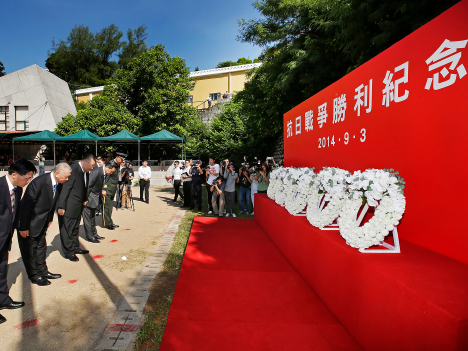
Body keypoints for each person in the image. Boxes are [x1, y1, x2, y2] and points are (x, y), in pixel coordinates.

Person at [17, 163, 72, 286]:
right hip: (30, 222)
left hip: (42, 222)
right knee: (30, 251)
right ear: (57, 173)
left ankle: (43, 271)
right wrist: (23, 227)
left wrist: (49, 219)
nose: (67, 179)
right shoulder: (39, 182)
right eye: (66, 176)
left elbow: (52, 203)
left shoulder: (58, 183)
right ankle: (35, 276)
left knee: (41, 248)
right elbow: (26, 206)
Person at [0, 159, 36, 324]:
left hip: (5, 238)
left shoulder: (18, 189)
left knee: (1, 270)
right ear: (14, 174)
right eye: (27, 178)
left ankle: (3, 299)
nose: (28, 182)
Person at [57, 154, 96, 262]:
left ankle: (75, 247)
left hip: (78, 205)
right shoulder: (72, 170)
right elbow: (65, 188)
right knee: (67, 229)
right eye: (91, 165)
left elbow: (84, 186)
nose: (92, 168)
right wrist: (61, 206)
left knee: (75, 228)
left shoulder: (84, 171)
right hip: (69, 205)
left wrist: (84, 198)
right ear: (85, 162)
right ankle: (69, 252)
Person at [83, 161, 117, 242]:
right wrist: (85, 198)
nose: (111, 173)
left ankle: (94, 234)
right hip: (89, 197)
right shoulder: (96, 172)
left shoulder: (104, 173)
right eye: (111, 171)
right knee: (87, 218)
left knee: (92, 217)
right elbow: (88, 186)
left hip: (95, 197)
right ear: (107, 167)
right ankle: (90, 236)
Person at [103, 154, 123, 229]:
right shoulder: (111, 164)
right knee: (106, 207)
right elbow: (106, 178)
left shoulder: (116, 164)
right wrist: (104, 189)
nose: (122, 161)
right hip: (108, 189)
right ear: (117, 158)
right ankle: (106, 223)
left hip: (112, 189)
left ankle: (110, 222)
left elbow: (115, 177)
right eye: (121, 159)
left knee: (110, 207)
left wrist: (117, 183)